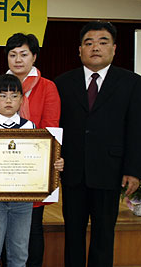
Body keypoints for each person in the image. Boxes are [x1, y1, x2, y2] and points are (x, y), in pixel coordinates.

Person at [55, 21, 141, 267]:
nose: (95, 48)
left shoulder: (132, 83)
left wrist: (133, 170)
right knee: (73, 234)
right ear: (79, 50)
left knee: (104, 234)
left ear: (114, 48)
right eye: (88, 43)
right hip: (72, 171)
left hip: (110, 171)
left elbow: (137, 129)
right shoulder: (62, 83)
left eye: (103, 42)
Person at [2, 33, 61, 267]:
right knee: (3, 227)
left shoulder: (47, 87)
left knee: (33, 226)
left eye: (24, 54)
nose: (18, 60)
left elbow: (51, 129)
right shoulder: (0, 85)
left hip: (32, 168)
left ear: (34, 57)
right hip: (3, 169)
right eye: (13, 54)